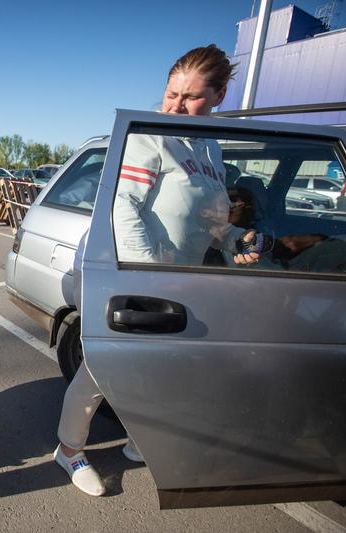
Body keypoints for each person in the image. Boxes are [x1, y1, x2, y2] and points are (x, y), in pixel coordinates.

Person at [53, 44, 267, 497]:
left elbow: (209, 218)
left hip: (175, 279)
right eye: (172, 93)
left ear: (219, 96)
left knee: (160, 367)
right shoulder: (149, 134)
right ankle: (69, 449)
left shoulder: (208, 147)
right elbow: (122, 207)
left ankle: (140, 439)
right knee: (101, 369)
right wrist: (147, 272)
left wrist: (234, 240)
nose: (176, 106)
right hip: (127, 271)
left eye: (191, 97)